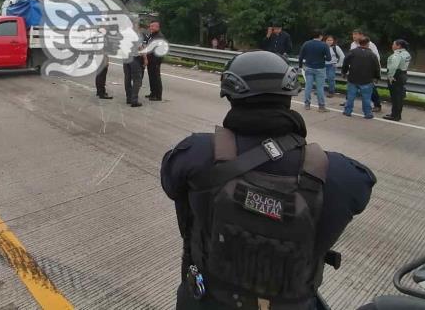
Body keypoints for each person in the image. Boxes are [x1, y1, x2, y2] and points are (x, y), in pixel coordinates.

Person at [160, 51, 376, 309]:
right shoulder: (343, 174)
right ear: (289, 94)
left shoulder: (194, 153)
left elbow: (172, 187)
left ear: (229, 94)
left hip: (207, 300)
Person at [342, 36, 381, 119]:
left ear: (359, 43)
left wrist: (344, 72)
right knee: (366, 98)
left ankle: (347, 111)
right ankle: (368, 113)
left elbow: (345, 63)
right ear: (368, 44)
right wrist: (377, 77)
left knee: (350, 97)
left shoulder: (352, 52)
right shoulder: (372, 55)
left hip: (353, 78)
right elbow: (376, 67)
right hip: (366, 79)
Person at [298, 29, 332, 112]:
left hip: (308, 67)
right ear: (320, 36)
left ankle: (307, 104)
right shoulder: (324, 45)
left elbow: (301, 56)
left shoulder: (306, 43)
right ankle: (321, 106)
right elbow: (329, 58)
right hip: (320, 68)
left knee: (308, 87)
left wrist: (300, 66)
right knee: (320, 88)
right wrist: (322, 57)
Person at [350, 29, 382, 112]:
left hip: (368, 70)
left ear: (361, 35)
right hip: (356, 70)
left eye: (356, 34)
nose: (354, 36)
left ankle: (377, 105)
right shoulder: (353, 44)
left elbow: (376, 58)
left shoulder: (370, 44)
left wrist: (375, 72)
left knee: (371, 88)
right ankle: (348, 102)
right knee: (352, 86)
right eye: (353, 34)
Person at [384, 39, 411, 121]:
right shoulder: (407, 53)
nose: (392, 46)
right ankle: (396, 114)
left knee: (395, 97)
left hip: (396, 75)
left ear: (398, 46)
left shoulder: (397, 54)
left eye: (393, 44)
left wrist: (390, 76)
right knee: (399, 96)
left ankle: (395, 115)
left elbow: (393, 67)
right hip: (403, 74)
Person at [145, 21, 165, 101]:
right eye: (150, 26)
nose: (151, 28)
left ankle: (158, 95)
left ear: (157, 27)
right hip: (150, 60)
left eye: (153, 26)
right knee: (151, 77)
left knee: (156, 78)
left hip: (155, 60)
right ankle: (152, 93)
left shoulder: (159, 37)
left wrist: (157, 61)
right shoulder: (152, 35)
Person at [123, 41, 147, 108]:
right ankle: (134, 100)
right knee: (137, 80)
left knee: (127, 78)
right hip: (134, 58)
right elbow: (140, 47)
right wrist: (145, 58)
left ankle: (129, 98)